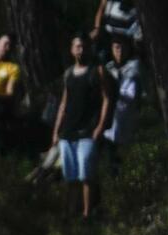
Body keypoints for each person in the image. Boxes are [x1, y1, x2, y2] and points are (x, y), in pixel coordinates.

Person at [51, 34, 111, 219]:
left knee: (86, 174)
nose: (81, 50)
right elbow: (64, 103)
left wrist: (100, 126)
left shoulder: (97, 71)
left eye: (84, 46)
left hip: (87, 131)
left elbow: (106, 99)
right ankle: (70, 213)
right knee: (70, 177)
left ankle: (87, 214)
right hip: (68, 131)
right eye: (77, 46)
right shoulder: (68, 74)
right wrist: (56, 131)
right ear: (72, 49)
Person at [104, 35, 144, 164]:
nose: (119, 51)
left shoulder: (134, 67)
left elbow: (131, 94)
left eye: (122, 48)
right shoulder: (108, 68)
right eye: (116, 48)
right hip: (110, 122)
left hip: (128, 118)